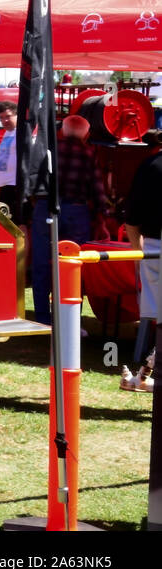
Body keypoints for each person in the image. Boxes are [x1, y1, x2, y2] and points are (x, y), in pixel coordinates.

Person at [29, 114, 108, 325]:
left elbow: (33, 181)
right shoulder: (89, 154)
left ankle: (43, 317)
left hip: (46, 208)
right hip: (76, 211)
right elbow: (98, 191)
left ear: (62, 130)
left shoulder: (48, 152)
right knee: (73, 265)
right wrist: (103, 218)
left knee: (42, 264)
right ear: (86, 133)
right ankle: (70, 319)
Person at [123, 128, 162, 390]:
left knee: (159, 319)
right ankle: (144, 377)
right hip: (153, 246)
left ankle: (143, 377)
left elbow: (132, 217)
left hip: (153, 247)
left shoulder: (150, 164)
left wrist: (139, 254)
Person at [0, 101, 20, 213]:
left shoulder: (21, 133)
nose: (4, 121)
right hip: (4, 185)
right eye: (1, 118)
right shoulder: (8, 133)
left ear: (17, 115)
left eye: (8, 116)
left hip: (15, 185)